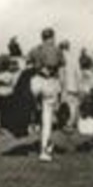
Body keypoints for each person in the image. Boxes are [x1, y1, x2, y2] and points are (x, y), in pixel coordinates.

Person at [28, 27, 65, 161]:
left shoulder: (35, 49)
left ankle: (33, 119)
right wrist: (62, 90)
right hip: (50, 83)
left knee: (36, 105)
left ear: (42, 37)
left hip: (36, 82)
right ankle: (44, 151)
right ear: (52, 37)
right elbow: (61, 71)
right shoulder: (57, 50)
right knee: (47, 117)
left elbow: (27, 64)